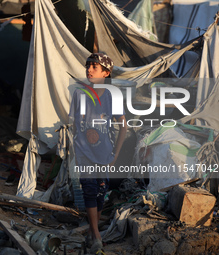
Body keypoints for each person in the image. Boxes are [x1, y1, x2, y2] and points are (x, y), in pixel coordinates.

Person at [69, 53, 127, 254]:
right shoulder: (79, 94)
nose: (89, 70)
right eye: (88, 66)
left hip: (104, 153)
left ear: (106, 73)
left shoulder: (112, 96)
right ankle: (97, 237)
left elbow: (124, 127)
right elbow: (75, 127)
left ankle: (91, 234)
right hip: (84, 152)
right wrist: (76, 152)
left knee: (101, 192)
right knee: (89, 189)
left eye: (95, 66)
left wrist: (116, 154)